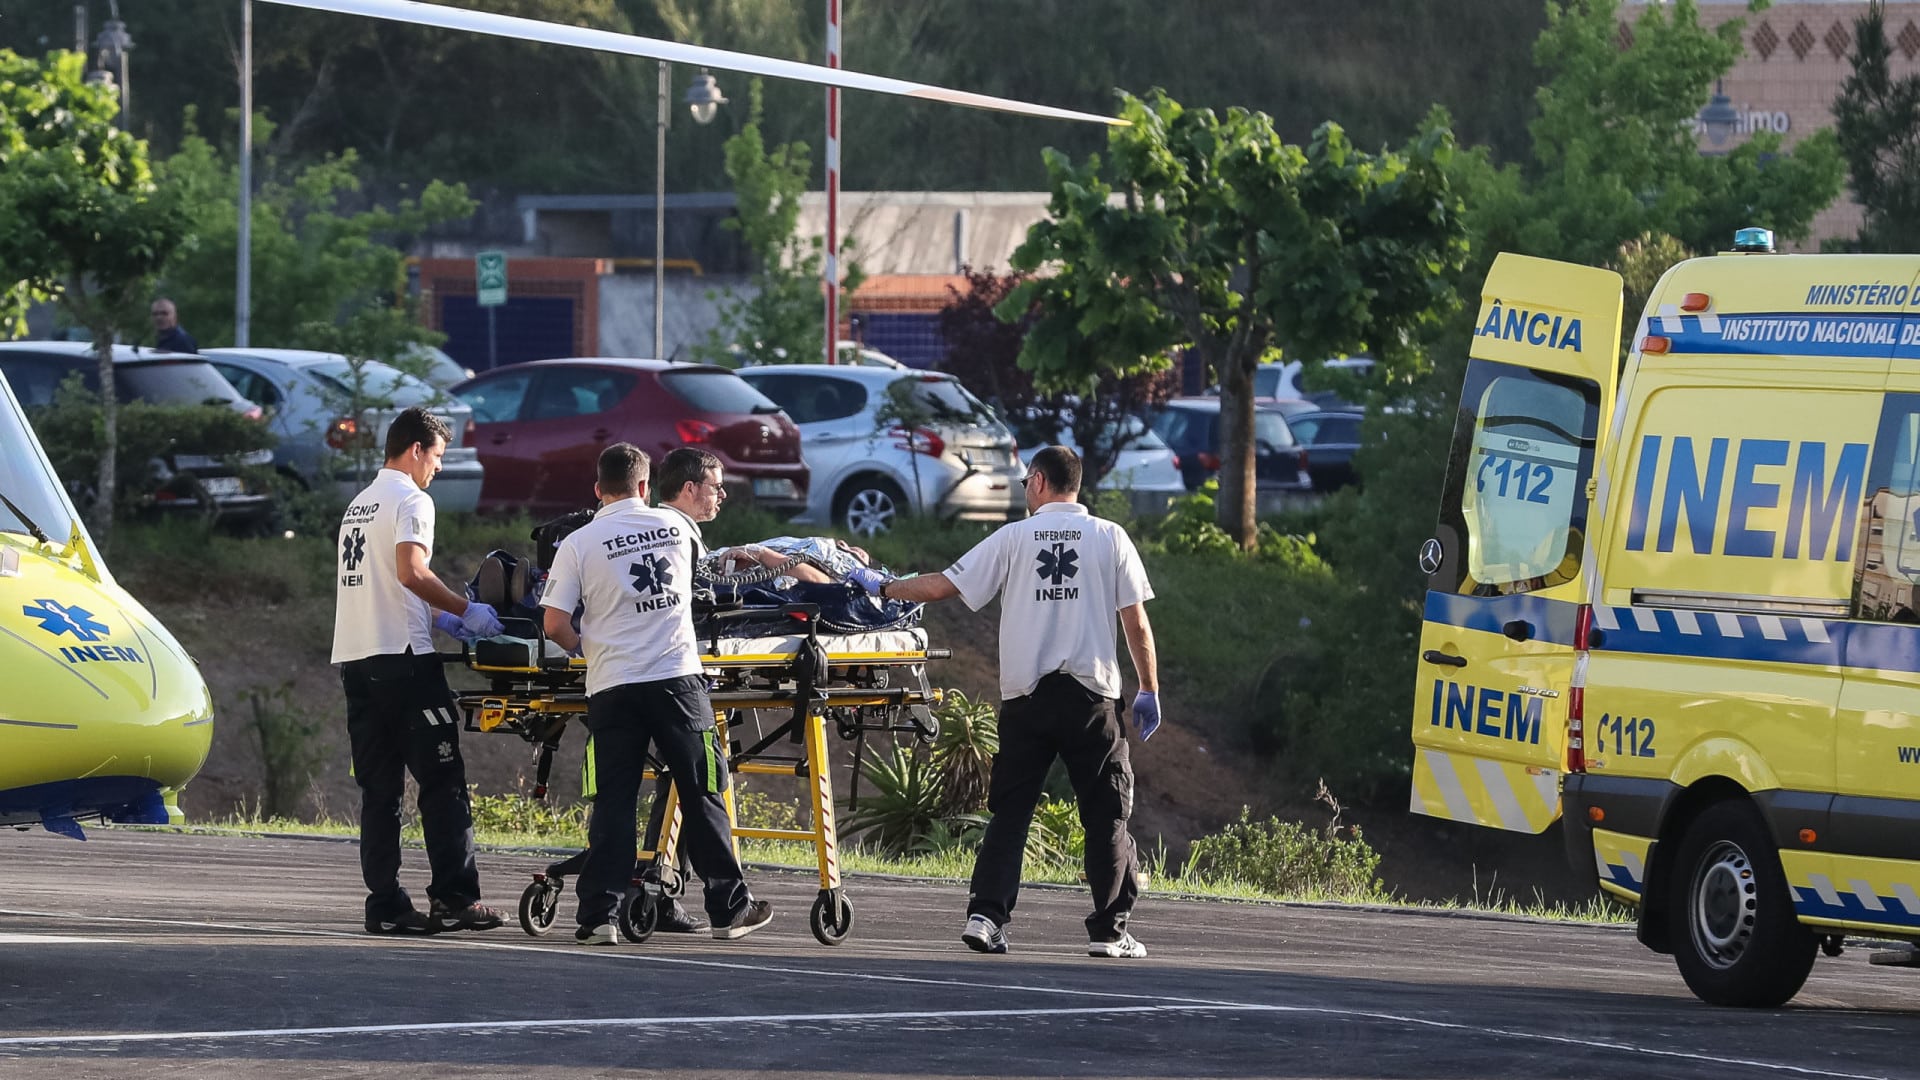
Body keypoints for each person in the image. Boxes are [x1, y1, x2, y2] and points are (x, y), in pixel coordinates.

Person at [865, 445, 1160, 958]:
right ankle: (1109, 932)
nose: (1025, 491)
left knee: (1011, 813)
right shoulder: (1110, 537)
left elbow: (944, 585)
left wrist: (884, 588)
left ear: (1040, 481)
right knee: (1106, 815)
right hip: (1092, 699)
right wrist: (1149, 688)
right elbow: (1135, 621)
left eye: (1026, 482)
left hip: (1026, 698)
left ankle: (986, 916)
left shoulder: (1014, 538)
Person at [543, 442, 773, 945]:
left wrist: (588, 649)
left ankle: (599, 917)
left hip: (611, 686)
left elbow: (554, 623)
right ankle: (728, 909)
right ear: (646, 487)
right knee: (702, 790)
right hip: (675, 680)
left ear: (598, 488)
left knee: (613, 802)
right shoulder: (676, 527)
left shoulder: (578, 542)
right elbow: (707, 588)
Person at [333, 406, 507, 936]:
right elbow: (411, 572)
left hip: (357, 659)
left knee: (380, 790)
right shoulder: (412, 499)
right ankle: (455, 897)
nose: (439, 467)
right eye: (437, 456)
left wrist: (437, 615)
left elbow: (382, 587)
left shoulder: (359, 504)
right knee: (442, 780)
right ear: (415, 450)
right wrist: (464, 608)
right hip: (405, 663)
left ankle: (385, 903)